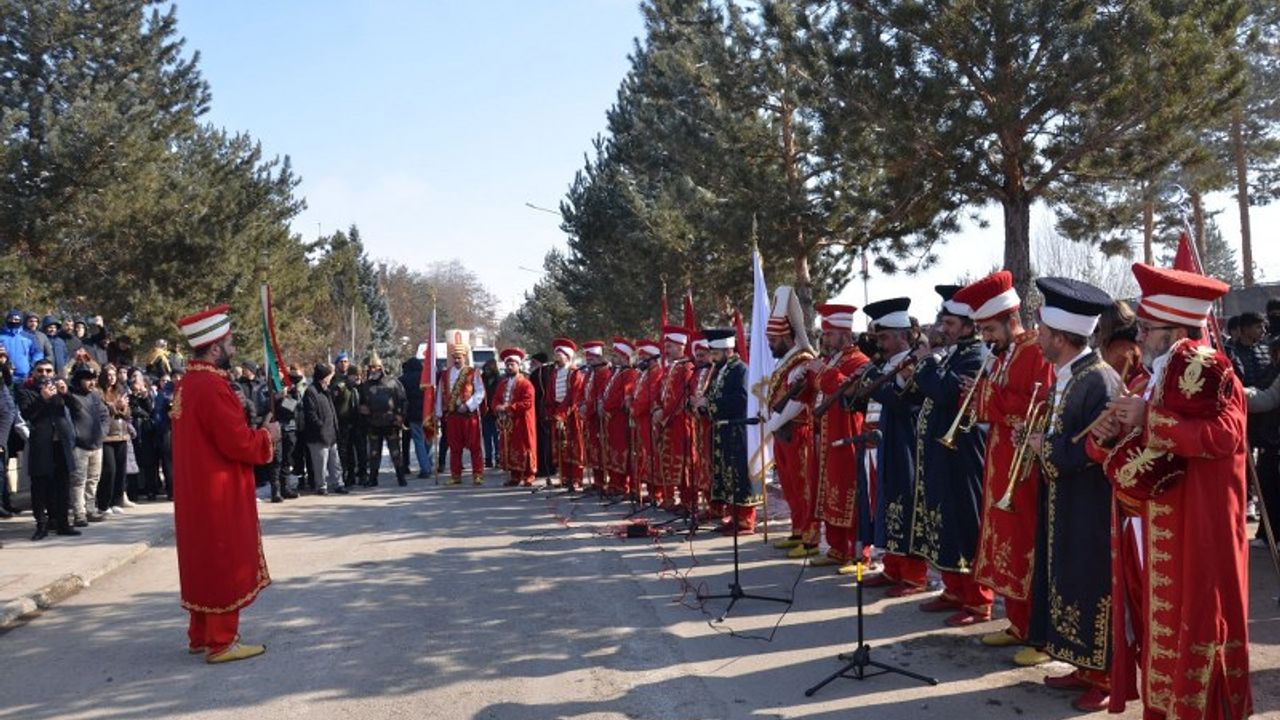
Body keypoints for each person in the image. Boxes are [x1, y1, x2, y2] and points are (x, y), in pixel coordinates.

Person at [1087, 264, 1251, 719]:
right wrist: (1107, 436)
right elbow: (1121, 449)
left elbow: (1224, 436)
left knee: (1195, 624)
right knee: (1159, 629)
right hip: (1151, 526)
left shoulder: (1217, 377)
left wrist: (1149, 420)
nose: (1138, 337)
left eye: (1147, 328)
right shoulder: (1151, 379)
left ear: (1176, 331)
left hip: (1196, 528)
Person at [1025, 277, 1120, 713]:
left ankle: (1105, 676)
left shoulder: (1098, 380)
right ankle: (1082, 664)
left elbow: (1100, 445)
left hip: (1089, 504)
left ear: (1061, 338)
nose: (1038, 337)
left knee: (1089, 582)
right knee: (1066, 578)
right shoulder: (1070, 376)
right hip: (1063, 498)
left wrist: (1045, 448)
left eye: (1043, 332)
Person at [171, 304, 277, 663]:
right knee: (222, 558)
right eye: (230, 344)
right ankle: (221, 641)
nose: (234, 349)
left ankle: (201, 634)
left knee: (202, 558)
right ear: (215, 348)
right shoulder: (212, 386)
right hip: (218, 490)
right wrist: (267, 435)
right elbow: (237, 442)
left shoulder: (188, 383)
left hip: (197, 490)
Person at [958, 270, 1054, 664]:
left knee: (1024, 543)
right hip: (1000, 460)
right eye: (983, 330)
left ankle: (1038, 633)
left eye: (990, 329)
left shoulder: (1036, 351)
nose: (985, 338)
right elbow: (1000, 400)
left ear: (1011, 319)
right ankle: (1018, 622)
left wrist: (985, 395)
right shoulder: (1005, 354)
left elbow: (1038, 406)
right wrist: (980, 396)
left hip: (1025, 467)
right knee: (1006, 545)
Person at [905, 288, 991, 624]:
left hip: (963, 454)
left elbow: (944, 391)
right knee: (945, 520)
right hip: (943, 454)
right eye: (944, 321)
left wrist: (927, 361)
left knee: (965, 521)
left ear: (969, 326)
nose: (944, 328)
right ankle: (954, 589)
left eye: (951, 323)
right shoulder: (955, 353)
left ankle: (978, 600)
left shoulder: (975, 355)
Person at [859, 298, 929, 594]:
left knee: (905, 505)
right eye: (879, 338)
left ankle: (913, 575)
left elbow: (903, 403)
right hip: (878, 444)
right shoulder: (884, 365)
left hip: (904, 444)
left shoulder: (915, 362)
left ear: (902, 336)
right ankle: (892, 567)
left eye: (885, 338)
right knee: (885, 505)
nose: (880, 344)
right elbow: (864, 401)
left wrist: (877, 380)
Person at [806, 304, 871, 573]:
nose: (825, 339)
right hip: (826, 436)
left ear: (845, 334)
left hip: (847, 436)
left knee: (849, 493)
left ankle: (858, 555)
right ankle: (836, 549)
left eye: (829, 334)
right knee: (829, 492)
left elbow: (849, 389)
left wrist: (822, 371)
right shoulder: (832, 359)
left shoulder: (860, 361)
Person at [763, 287, 819, 557]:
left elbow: (798, 399)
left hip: (797, 431)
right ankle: (797, 530)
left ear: (786, 337)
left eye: (773, 340)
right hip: (782, 431)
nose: (770, 345)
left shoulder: (802, 360)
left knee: (803, 486)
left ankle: (810, 538)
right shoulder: (785, 360)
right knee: (789, 485)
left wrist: (773, 422)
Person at [698, 328, 757, 534]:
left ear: (728, 351)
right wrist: (701, 405)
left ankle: (745, 519)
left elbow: (742, 399)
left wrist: (710, 403)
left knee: (739, 474)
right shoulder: (719, 370)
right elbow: (712, 396)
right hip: (721, 430)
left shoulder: (740, 370)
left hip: (737, 430)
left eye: (715, 353)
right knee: (726, 475)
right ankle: (732, 515)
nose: (712, 358)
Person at [16, 361, 79, 540]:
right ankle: (41, 525)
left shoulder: (59, 388)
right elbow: (27, 414)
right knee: (40, 486)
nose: (44, 374)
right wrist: (42, 398)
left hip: (61, 443)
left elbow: (77, 408)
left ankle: (63, 523)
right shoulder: (25, 390)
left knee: (63, 484)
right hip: (41, 443)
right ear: (34, 373)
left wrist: (65, 393)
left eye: (48, 371)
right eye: (40, 370)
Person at [654, 327, 693, 511]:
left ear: (680, 347)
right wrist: (656, 408)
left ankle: (688, 502)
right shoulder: (669, 368)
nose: (666, 350)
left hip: (680, 422)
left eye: (669, 347)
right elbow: (658, 392)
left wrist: (664, 414)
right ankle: (669, 499)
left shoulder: (687, 368)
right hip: (666, 423)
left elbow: (680, 397)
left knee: (683, 462)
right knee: (667, 460)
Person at [435, 342, 484, 485]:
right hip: (452, 416)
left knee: (475, 446)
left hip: (469, 415)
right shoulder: (445, 374)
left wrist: (468, 405)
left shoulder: (473, 372)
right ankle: (455, 475)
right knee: (454, 447)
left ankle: (478, 474)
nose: (457, 360)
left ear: (465, 357)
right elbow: (440, 394)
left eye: (459, 357)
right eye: (454, 357)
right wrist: (438, 413)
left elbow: (480, 392)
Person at [65, 363, 107, 526]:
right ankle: (79, 513)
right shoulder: (71, 396)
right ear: (79, 379)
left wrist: (102, 433)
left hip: (97, 444)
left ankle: (90, 509)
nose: (92, 382)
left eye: (93, 379)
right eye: (87, 379)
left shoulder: (95, 396)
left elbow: (104, 415)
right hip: (79, 446)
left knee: (93, 479)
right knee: (78, 481)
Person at [360, 353, 407, 487]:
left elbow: (403, 400)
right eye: (371, 367)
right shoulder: (366, 385)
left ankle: (401, 477)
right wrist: (362, 409)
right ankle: (373, 478)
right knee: (374, 453)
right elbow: (361, 402)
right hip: (373, 423)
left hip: (391, 422)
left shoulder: (392, 382)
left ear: (381, 368)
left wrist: (400, 416)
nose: (373, 370)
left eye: (375, 367)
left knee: (395, 452)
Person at [493, 348, 537, 486]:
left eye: (512, 364)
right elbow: (495, 399)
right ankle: (514, 475)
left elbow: (527, 402)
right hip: (507, 422)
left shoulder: (526, 383)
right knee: (509, 446)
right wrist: (497, 407)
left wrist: (508, 408)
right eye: (507, 365)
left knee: (524, 446)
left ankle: (529, 475)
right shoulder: (502, 384)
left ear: (518, 365)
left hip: (522, 420)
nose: (509, 367)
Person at [601, 338, 638, 497]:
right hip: (611, 419)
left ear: (624, 357)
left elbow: (623, 396)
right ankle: (615, 483)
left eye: (616, 356)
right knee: (613, 451)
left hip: (621, 418)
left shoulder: (630, 373)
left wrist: (607, 405)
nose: (613, 359)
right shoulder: (614, 373)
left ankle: (624, 485)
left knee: (623, 452)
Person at [628, 339, 664, 501]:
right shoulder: (642, 374)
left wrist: (634, 408)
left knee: (652, 455)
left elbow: (648, 397)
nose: (641, 360)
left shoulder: (657, 373)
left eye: (644, 357)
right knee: (643, 454)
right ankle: (649, 490)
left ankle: (656, 492)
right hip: (639, 420)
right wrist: (630, 400)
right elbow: (635, 392)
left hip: (649, 419)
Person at [304, 362, 346, 495]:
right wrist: (321, 427)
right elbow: (310, 414)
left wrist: (335, 427)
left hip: (331, 433)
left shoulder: (326, 390)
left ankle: (338, 483)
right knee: (320, 464)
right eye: (328, 377)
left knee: (335, 462)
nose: (330, 379)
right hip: (318, 435)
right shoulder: (311, 391)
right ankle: (321, 486)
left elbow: (332, 410)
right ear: (322, 377)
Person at [549, 338, 585, 491]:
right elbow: (551, 394)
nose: (557, 357)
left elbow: (573, 396)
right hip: (557, 413)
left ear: (567, 356)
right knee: (560, 446)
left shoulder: (574, 373)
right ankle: (564, 477)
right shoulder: (554, 373)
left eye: (559, 355)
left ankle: (576, 478)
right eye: (556, 354)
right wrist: (552, 411)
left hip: (571, 414)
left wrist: (562, 414)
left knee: (574, 446)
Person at [579, 341, 612, 492]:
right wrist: (581, 404)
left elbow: (601, 395)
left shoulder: (604, 373)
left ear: (599, 358)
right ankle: (597, 481)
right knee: (593, 448)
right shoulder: (589, 374)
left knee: (602, 449)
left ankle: (604, 481)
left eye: (591, 358)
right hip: (590, 417)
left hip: (600, 417)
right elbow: (583, 392)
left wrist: (590, 406)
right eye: (587, 358)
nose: (588, 361)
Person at [529, 352, 556, 479]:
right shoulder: (551, 371)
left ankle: (545, 467)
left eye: (532, 362)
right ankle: (551, 466)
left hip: (541, 410)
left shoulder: (538, 373)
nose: (530, 365)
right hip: (548, 409)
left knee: (543, 440)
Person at [1, 309, 42, 383]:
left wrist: (32, 367)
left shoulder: (29, 336)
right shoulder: (1, 335)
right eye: (11, 319)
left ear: (21, 321)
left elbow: (38, 353)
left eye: (16, 319)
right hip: (3, 375)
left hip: (24, 376)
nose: (13, 321)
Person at [480, 358, 501, 469]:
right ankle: (488, 458)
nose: (487, 371)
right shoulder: (481, 379)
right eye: (486, 369)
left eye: (489, 369)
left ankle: (498, 457)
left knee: (497, 437)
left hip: (496, 412)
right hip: (485, 411)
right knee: (486, 437)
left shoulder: (499, 379)